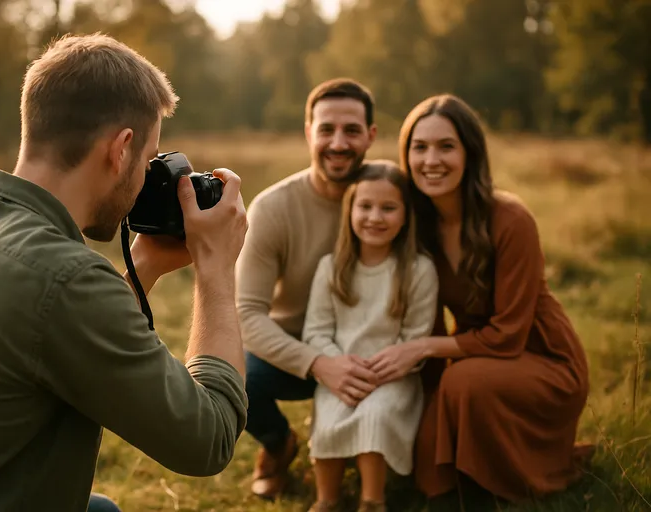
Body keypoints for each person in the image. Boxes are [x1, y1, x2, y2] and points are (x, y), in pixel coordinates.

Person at [0, 34, 249, 512]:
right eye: (148, 160)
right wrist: (216, 269)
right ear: (121, 149)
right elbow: (208, 438)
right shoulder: (66, 278)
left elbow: (50, 333)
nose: (145, 177)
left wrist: (144, 266)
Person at [368, 93, 591, 507]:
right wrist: (425, 393)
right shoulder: (419, 224)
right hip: (472, 355)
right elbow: (430, 319)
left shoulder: (510, 219)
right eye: (420, 147)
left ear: (470, 153)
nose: (431, 160)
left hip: (542, 356)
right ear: (407, 155)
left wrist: (424, 348)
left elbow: (508, 335)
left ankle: (498, 484)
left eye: (446, 146)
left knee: (463, 382)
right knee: (427, 472)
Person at [235, 77, 380, 500]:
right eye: (326, 129)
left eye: (352, 130)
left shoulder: (391, 197)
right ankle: (278, 443)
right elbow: (247, 314)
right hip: (295, 348)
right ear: (308, 133)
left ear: (371, 135)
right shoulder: (273, 208)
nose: (338, 143)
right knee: (233, 374)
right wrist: (317, 363)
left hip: (374, 345)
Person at [301, 161, 439, 512]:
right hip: (340, 371)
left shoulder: (418, 270)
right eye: (365, 206)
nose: (375, 217)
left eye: (388, 208)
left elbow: (415, 336)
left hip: (394, 376)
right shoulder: (331, 268)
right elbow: (316, 331)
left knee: (375, 414)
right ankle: (327, 500)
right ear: (350, 210)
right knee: (330, 413)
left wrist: (376, 371)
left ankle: (372, 501)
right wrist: (340, 365)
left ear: (406, 216)